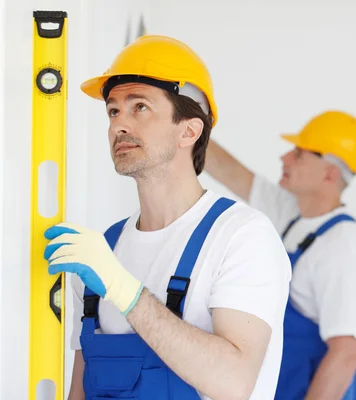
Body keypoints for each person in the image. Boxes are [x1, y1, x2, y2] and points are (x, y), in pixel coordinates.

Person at [43, 35, 291, 400]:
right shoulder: (104, 250)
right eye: (113, 111)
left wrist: (122, 288)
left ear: (189, 130)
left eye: (139, 107)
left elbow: (234, 383)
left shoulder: (242, 237)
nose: (119, 125)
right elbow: (79, 390)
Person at [204, 110, 356, 399]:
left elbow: (345, 352)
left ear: (330, 173)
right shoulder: (292, 213)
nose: (284, 158)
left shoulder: (346, 245)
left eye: (299, 153)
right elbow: (227, 170)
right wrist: (183, 115)